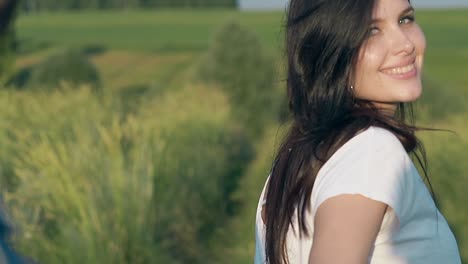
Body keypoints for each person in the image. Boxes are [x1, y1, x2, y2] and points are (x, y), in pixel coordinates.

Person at [254, 0, 462, 263]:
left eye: (405, 19)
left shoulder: (297, 159)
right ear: (331, 50)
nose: (405, 44)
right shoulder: (372, 152)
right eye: (371, 31)